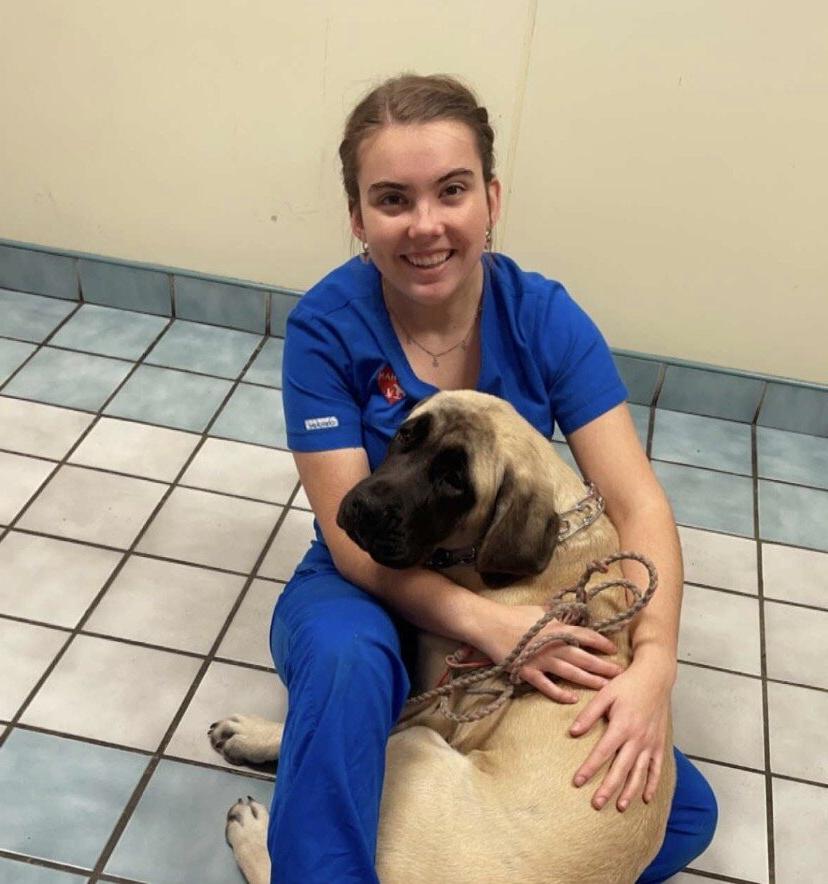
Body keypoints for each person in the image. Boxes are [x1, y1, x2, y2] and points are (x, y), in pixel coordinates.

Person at [272, 73, 717, 883]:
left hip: (501, 578)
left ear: (492, 198)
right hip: (369, 574)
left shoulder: (543, 316)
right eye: (392, 200)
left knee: (683, 812)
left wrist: (654, 664)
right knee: (349, 661)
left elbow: (636, 501)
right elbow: (346, 532)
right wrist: (491, 628)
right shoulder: (325, 329)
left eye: (451, 191)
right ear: (357, 218)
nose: (426, 226)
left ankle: (337, 763)